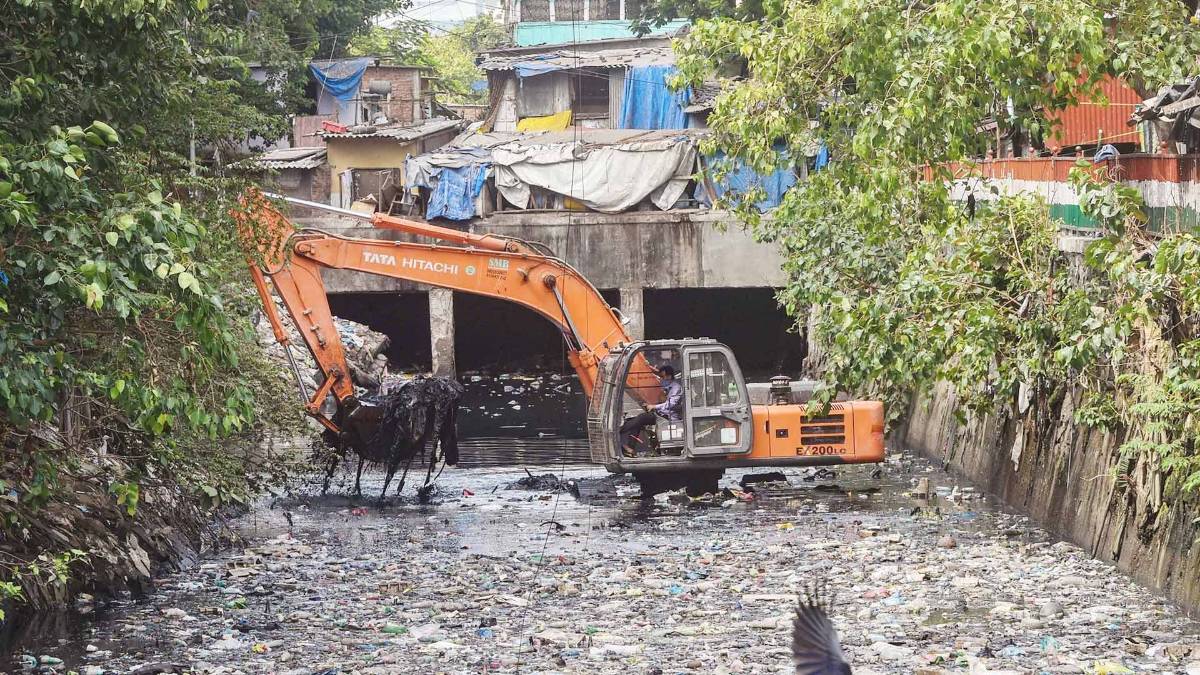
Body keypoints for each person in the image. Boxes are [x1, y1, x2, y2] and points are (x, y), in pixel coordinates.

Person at [620, 365, 683, 456]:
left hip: (668, 417)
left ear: (669, 376)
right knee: (637, 421)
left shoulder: (676, 388)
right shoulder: (663, 387)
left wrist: (654, 406)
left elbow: (670, 404)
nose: (661, 379)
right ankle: (630, 448)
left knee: (642, 418)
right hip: (660, 414)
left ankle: (621, 429)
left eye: (662, 377)